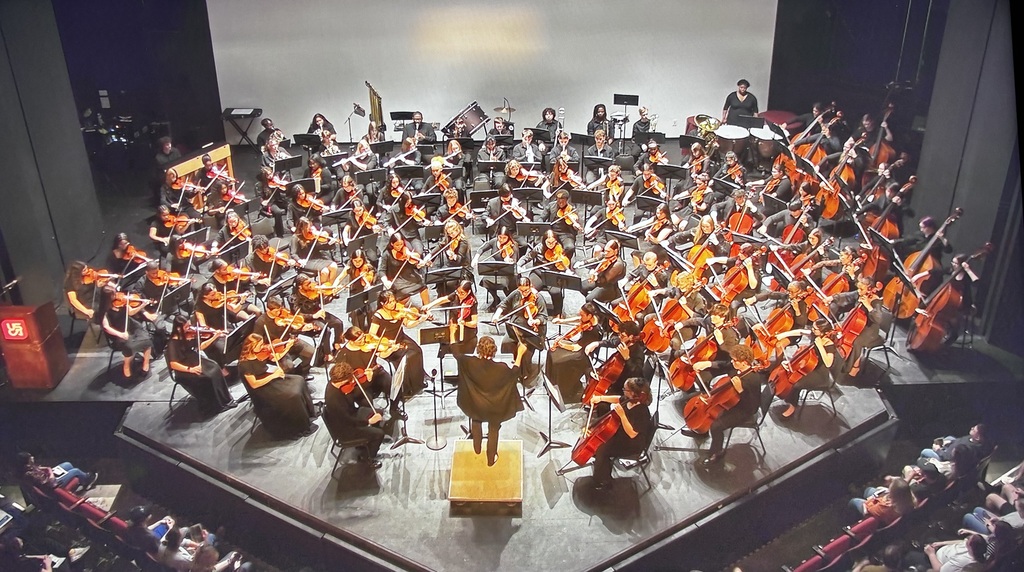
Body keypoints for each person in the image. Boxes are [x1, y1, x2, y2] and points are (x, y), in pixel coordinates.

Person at [686, 345, 766, 465]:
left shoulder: (753, 379)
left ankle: (716, 453)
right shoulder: (735, 367)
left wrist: (740, 391)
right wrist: (706, 364)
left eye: (735, 361)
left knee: (716, 426)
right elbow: (723, 364)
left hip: (743, 409)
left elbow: (753, 406)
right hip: (729, 401)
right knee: (709, 411)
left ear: (744, 363)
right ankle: (701, 431)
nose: (732, 362)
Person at [455, 337, 527, 466]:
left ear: (478, 349)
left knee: (476, 422)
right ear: (494, 350)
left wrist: (453, 333)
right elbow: (515, 372)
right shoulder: (502, 368)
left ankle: (477, 448)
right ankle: (490, 458)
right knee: (494, 429)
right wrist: (520, 354)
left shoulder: (468, 362)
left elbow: (455, 351)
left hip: (475, 405)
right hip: (495, 408)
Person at [237, 333, 319, 439]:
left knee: (299, 380)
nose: (263, 347)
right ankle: (299, 424)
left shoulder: (259, 354)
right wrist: (274, 375)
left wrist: (288, 347)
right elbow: (254, 384)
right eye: (260, 345)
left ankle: (308, 413)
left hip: (268, 378)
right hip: (262, 389)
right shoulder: (245, 364)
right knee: (292, 395)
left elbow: (276, 356)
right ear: (251, 346)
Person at [586, 377, 653, 491]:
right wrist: (600, 398)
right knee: (601, 441)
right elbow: (618, 399)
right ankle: (602, 466)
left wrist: (622, 416)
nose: (623, 391)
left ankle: (603, 481)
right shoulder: (629, 399)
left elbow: (632, 434)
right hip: (623, 435)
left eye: (625, 389)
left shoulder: (642, 411)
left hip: (632, 444)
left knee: (602, 447)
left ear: (633, 393)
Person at [165, 314, 236, 414]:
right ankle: (214, 404)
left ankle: (224, 398)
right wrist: (191, 369)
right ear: (178, 328)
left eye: (189, 325)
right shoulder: (172, 343)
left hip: (194, 359)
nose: (189, 328)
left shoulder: (188, 335)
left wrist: (215, 336)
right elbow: (173, 364)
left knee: (215, 367)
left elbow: (201, 347)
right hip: (184, 368)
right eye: (186, 327)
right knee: (208, 377)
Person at [775, 319, 843, 418]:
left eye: (815, 329)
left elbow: (828, 363)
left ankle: (792, 407)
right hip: (810, 366)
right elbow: (800, 331)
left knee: (796, 383)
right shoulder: (816, 335)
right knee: (790, 372)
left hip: (819, 375)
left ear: (825, 332)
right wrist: (783, 335)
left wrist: (820, 346)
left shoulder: (829, 344)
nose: (812, 330)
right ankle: (786, 395)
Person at [325, 361, 387, 469]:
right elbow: (348, 420)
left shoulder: (334, 384)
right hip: (346, 429)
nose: (352, 380)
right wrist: (368, 422)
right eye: (350, 379)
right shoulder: (334, 400)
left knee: (378, 413)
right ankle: (366, 458)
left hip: (351, 415)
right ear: (342, 380)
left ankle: (367, 442)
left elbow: (351, 401)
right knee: (380, 433)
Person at [546, 303, 603, 403]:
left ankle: (562, 389)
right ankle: (550, 381)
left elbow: (576, 347)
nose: (580, 317)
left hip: (583, 355)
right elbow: (579, 319)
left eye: (582, 315)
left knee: (557, 360)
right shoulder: (591, 318)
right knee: (551, 351)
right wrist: (562, 321)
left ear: (589, 316)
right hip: (580, 346)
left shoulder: (593, 331)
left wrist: (561, 344)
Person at [101, 283, 155, 379]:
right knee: (129, 346)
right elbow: (106, 327)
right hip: (116, 332)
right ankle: (126, 365)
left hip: (131, 326)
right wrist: (121, 334)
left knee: (146, 338)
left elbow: (130, 312)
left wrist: (142, 305)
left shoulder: (122, 302)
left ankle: (146, 364)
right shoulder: (103, 310)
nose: (117, 295)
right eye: (114, 294)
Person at [18, 452, 98, 494]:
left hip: (48, 477)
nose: (32, 457)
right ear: (26, 461)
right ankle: (87, 480)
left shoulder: (28, 467)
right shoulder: (29, 474)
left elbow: (38, 469)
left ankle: (82, 478)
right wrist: (49, 471)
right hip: (53, 485)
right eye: (30, 457)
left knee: (67, 464)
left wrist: (46, 469)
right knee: (75, 471)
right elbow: (50, 483)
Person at [847, 477, 916, 524]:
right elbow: (902, 487)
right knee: (868, 490)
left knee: (853, 501)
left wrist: (870, 499)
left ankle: (852, 521)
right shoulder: (912, 500)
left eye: (890, 490)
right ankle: (860, 491)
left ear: (893, 495)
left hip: (873, 512)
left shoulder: (884, 508)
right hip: (887, 509)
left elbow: (867, 510)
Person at [921, 534, 988, 572]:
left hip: (937, 560)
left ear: (970, 545)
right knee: (930, 538)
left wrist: (931, 554)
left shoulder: (963, 561)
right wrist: (942, 543)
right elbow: (961, 542)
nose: (966, 539)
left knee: (913, 556)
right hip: (943, 549)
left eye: (968, 540)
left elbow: (940, 570)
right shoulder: (974, 549)